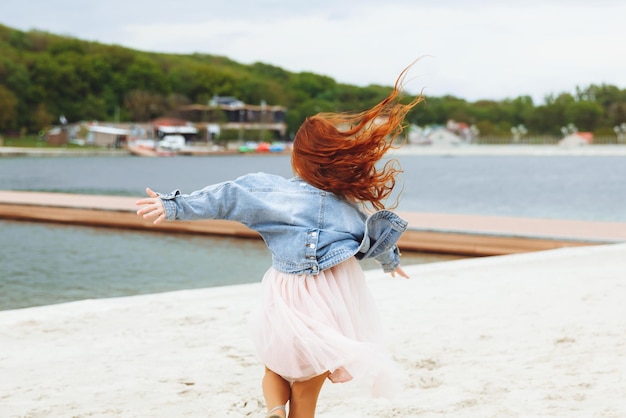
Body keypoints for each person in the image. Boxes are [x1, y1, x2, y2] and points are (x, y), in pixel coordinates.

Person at [136, 65, 423, 418]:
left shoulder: (274, 191)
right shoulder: (346, 207)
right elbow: (375, 238)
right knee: (307, 385)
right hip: (331, 296)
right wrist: (392, 263)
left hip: (287, 292)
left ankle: (274, 409)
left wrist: (174, 206)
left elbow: (227, 196)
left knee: (274, 366)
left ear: (300, 157)